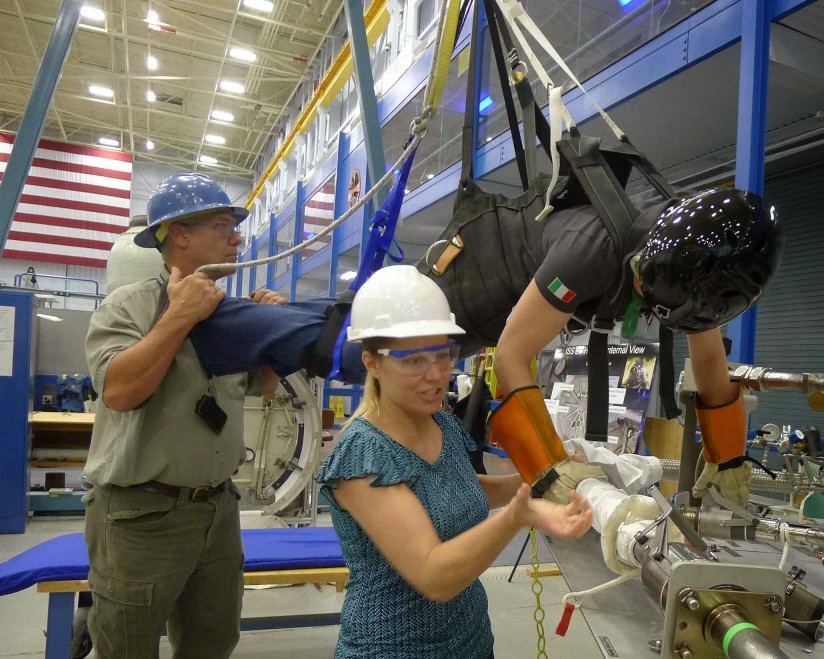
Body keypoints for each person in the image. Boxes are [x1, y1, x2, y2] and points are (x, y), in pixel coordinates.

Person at [185, 187, 780, 504]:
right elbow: (515, 357)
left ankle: (276, 315)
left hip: (500, 307)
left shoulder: (689, 264)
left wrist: (728, 459)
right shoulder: (594, 251)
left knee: (355, 334)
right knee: (350, 350)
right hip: (469, 284)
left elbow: (708, 358)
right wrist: (545, 470)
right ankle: (220, 324)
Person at [315, 265, 592, 659]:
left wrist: (533, 482)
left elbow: (465, 488)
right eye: (413, 360)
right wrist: (517, 517)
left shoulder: (439, 420)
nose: (436, 374)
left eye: (443, 354)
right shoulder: (362, 455)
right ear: (372, 362)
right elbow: (434, 574)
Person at [77, 172, 284, 659]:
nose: (237, 240)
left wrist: (266, 336)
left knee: (210, 647)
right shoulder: (129, 307)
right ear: (177, 235)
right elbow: (120, 390)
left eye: (236, 229)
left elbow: (257, 386)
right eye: (224, 227)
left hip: (216, 510)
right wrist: (179, 316)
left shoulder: (230, 313)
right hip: (141, 514)